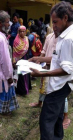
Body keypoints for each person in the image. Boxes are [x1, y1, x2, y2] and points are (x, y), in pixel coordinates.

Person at [29, 2, 73, 139]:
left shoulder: (68, 39)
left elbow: (67, 70)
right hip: (63, 84)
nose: (53, 26)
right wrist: (39, 59)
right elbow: (56, 59)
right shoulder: (64, 34)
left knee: (46, 121)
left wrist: (42, 73)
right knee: (58, 117)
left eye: (55, 22)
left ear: (65, 18)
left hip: (60, 85)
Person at [0, 10, 19, 115]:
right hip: (3, 73)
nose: (9, 24)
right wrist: (9, 76)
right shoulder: (0, 39)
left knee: (4, 92)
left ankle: (5, 109)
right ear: (0, 23)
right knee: (6, 91)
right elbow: (5, 61)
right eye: (7, 22)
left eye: (9, 21)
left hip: (0, 71)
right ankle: (5, 111)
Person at [13, 26, 31, 96]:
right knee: (20, 75)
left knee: (26, 73)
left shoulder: (27, 39)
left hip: (25, 58)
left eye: (23, 31)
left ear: (25, 32)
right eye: (20, 31)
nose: (22, 33)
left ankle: (27, 88)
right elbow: (14, 52)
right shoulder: (16, 41)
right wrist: (14, 61)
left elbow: (28, 49)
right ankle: (21, 90)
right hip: (19, 59)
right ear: (18, 32)